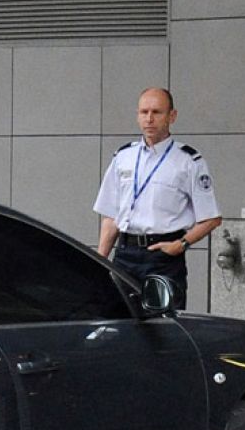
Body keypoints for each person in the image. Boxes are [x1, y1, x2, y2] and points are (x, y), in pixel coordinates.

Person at [92, 87, 221, 309]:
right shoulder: (123, 157)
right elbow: (111, 216)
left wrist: (180, 245)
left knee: (164, 327)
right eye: (144, 112)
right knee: (118, 320)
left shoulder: (188, 161)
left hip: (163, 256)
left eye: (156, 112)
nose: (149, 119)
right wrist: (100, 260)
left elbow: (211, 218)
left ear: (172, 116)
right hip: (125, 253)